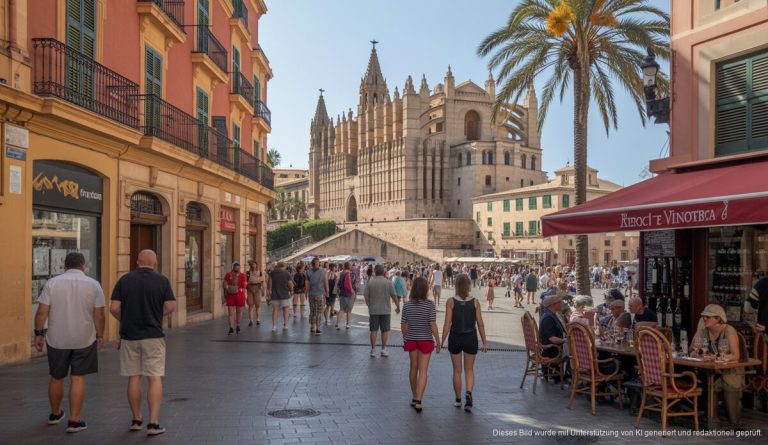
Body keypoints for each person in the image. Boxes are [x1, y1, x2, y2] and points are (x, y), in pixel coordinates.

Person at [34, 252, 105, 434]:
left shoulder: (52, 283)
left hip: (57, 339)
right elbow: (99, 315)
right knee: (78, 378)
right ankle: (74, 420)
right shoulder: (94, 285)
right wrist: (100, 335)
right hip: (84, 338)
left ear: (64, 266)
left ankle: (55, 414)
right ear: (83, 265)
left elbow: (42, 312)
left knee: (57, 376)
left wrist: (38, 334)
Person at [110, 250, 176, 436]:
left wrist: (125, 319)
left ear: (138, 262)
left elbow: (114, 307)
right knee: (154, 377)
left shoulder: (125, 280)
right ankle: (153, 423)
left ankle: (136, 419)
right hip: (153, 335)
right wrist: (158, 315)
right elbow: (171, 306)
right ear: (155, 262)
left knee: (133, 377)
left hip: (129, 336)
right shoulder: (162, 280)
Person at [689, 304, 744, 424]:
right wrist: (699, 330)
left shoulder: (728, 330)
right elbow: (693, 350)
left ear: (718, 318)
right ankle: (711, 419)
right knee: (707, 381)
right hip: (711, 370)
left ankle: (731, 420)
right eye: (703, 316)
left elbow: (736, 355)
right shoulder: (704, 330)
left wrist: (718, 356)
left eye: (708, 317)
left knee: (715, 384)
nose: (704, 319)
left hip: (730, 372)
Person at [441, 273, 487, 412]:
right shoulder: (475, 302)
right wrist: (484, 342)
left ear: (456, 285)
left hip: (455, 337)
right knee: (469, 370)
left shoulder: (451, 301)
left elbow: (447, 324)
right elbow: (480, 324)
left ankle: (458, 399)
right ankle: (468, 393)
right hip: (470, 337)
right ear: (468, 285)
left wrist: (441, 341)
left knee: (457, 370)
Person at [401, 277, 440, 413]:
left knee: (413, 368)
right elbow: (432, 324)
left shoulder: (406, 305)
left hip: (412, 340)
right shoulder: (430, 305)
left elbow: (404, 325)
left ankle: (414, 396)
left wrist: (405, 338)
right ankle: (419, 399)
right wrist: (438, 341)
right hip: (425, 340)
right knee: (423, 370)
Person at [364, 264, 400, 357]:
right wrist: (398, 306)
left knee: (373, 330)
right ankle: (383, 349)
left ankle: (373, 349)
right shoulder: (388, 283)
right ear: (384, 272)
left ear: (375, 272)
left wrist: (368, 304)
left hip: (374, 310)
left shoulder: (370, 282)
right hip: (385, 310)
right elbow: (394, 296)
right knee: (385, 330)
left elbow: (365, 295)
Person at [266, 262, 293, 332]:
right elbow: (290, 284)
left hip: (274, 295)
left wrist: (269, 290)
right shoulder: (286, 273)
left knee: (275, 310)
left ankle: (274, 326)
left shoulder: (272, 273)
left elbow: (269, 282)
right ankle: (286, 325)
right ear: (284, 266)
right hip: (284, 294)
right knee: (286, 309)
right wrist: (291, 290)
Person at [539, 295, 566, 360]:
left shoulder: (551, 314)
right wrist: (566, 340)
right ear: (553, 305)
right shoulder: (548, 318)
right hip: (553, 350)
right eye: (559, 302)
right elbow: (552, 338)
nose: (561, 304)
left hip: (556, 346)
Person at [306, 257, 328, 335]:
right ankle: (318, 328)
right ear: (318, 263)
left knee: (312, 310)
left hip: (311, 294)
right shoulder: (323, 271)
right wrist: (327, 292)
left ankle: (313, 326)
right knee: (318, 311)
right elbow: (325, 282)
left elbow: (307, 284)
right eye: (318, 263)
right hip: (320, 294)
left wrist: (306, 293)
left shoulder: (308, 272)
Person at [223, 262, 247, 335]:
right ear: (233, 267)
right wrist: (227, 287)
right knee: (231, 313)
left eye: (238, 267)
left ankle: (238, 325)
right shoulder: (228, 274)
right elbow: (225, 282)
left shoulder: (243, 275)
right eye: (236, 267)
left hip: (240, 295)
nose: (237, 268)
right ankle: (231, 327)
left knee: (239, 312)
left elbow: (244, 285)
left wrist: (242, 290)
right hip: (231, 295)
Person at [335, 262, 355, 330]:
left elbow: (338, 283)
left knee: (342, 309)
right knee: (349, 310)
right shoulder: (348, 274)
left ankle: (337, 324)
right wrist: (351, 291)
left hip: (342, 293)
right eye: (350, 265)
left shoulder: (341, 273)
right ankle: (347, 324)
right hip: (348, 294)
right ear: (349, 266)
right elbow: (348, 285)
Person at [246, 260, 264, 326]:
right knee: (250, 305)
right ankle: (251, 320)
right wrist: (250, 281)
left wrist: (263, 290)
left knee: (258, 305)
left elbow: (262, 281)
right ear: (251, 265)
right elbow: (246, 281)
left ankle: (258, 319)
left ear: (256, 265)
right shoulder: (248, 272)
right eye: (253, 264)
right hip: (250, 289)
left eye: (255, 264)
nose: (254, 266)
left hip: (257, 288)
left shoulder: (260, 272)